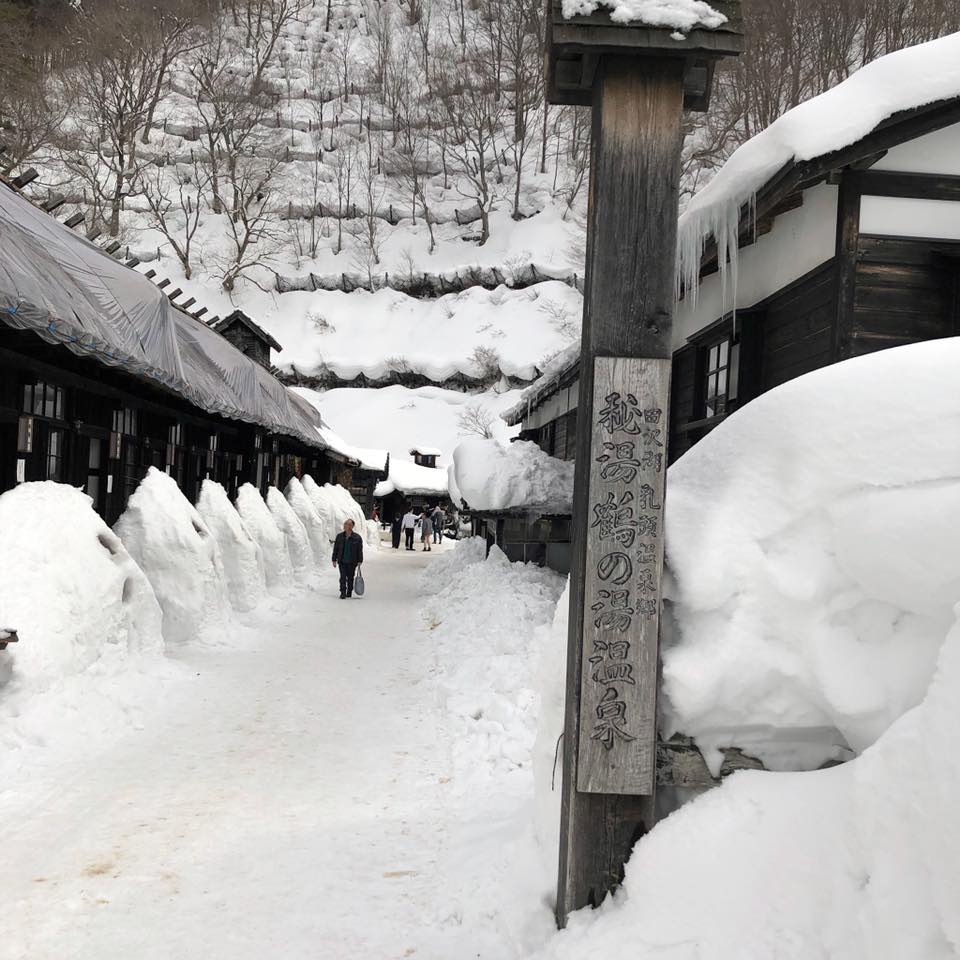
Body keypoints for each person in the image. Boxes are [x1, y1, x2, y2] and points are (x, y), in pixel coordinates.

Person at [332, 518, 364, 599]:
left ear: (351, 526)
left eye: (348, 524)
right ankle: (343, 592)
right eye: (345, 524)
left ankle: (349, 590)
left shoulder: (357, 538)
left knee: (350, 577)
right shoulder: (339, 536)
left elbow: (359, 550)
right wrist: (334, 559)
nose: (345, 525)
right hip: (342, 561)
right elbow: (336, 549)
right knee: (342, 577)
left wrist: (360, 560)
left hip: (352, 562)